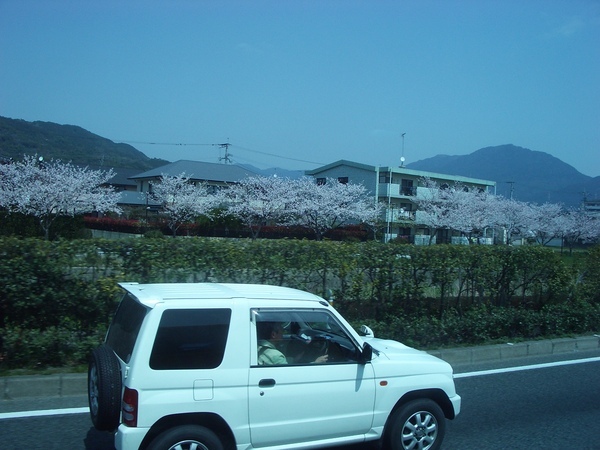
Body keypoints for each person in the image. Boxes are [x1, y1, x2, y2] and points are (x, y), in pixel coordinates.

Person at [257, 321, 328, 365]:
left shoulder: (258, 347)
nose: (283, 333)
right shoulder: (276, 356)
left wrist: (294, 359)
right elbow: (290, 374)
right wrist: (315, 363)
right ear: (273, 335)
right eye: (281, 331)